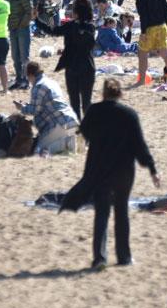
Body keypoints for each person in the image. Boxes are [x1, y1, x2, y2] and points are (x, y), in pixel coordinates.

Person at [61, 79, 161, 269]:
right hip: (124, 170)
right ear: (120, 93)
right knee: (121, 212)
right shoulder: (129, 115)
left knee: (102, 214)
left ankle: (100, 257)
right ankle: (124, 257)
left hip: (100, 168)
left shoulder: (94, 111)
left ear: (103, 93)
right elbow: (139, 145)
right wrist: (152, 169)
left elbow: (84, 132)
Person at [38, 0, 98, 122]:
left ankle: (77, 128)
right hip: (87, 67)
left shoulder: (70, 26)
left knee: (74, 102)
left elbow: (52, 31)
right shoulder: (91, 27)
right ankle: (89, 129)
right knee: (87, 102)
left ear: (76, 12)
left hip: (72, 67)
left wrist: (37, 20)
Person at [14, 62, 80, 154]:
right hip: (71, 121)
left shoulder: (38, 87)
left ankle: (65, 144)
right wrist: (27, 105)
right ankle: (69, 141)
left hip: (58, 125)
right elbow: (44, 105)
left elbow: (34, 111)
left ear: (30, 75)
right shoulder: (51, 82)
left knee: (38, 152)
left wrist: (21, 108)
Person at [134, 0, 167, 86]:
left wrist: (143, 32)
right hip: (162, 26)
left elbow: (143, 15)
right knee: (166, 55)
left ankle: (142, 81)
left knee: (142, 54)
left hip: (150, 28)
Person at [5, 0, 35, 90]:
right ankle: (18, 79)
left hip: (22, 29)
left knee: (24, 56)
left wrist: (21, 24)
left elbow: (29, 13)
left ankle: (26, 80)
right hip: (12, 29)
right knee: (15, 56)